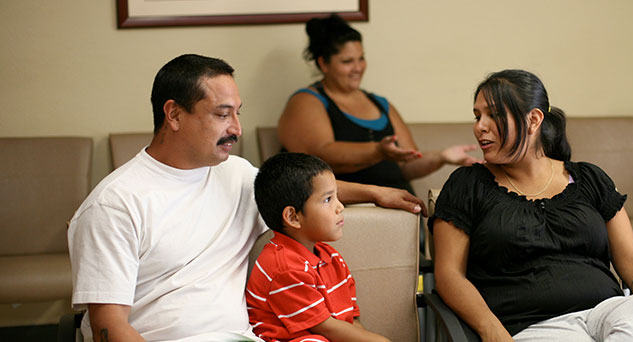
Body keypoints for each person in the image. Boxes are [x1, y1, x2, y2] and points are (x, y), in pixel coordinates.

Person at [67, 54, 424, 342]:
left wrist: (376, 192)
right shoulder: (115, 204)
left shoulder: (234, 174)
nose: (236, 128)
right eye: (223, 115)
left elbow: (302, 190)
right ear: (174, 114)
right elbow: (109, 327)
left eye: (238, 113)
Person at [430, 69, 633, 342]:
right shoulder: (467, 185)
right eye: (477, 116)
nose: (480, 127)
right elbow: (449, 274)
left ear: (533, 119)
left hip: (604, 315)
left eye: (493, 115)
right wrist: (493, 331)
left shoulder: (590, 178)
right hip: (532, 328)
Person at [278, 14, 482, 194]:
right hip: (353, 214)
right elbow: (321, 154)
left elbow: (408, 163)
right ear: (323, 63)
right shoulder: (306, 101)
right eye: (347, 61)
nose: (358, 68)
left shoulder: (380, 103)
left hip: (401, 210)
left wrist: (441, 156)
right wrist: (378, 151)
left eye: (361, 58)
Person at [246, 152, 390, 342]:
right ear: (293, 217)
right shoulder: (283, 268)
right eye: (328, 200)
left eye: (337, 197)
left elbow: (349, 322)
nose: (340, 207)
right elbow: (326, 328)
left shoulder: (332, 257)